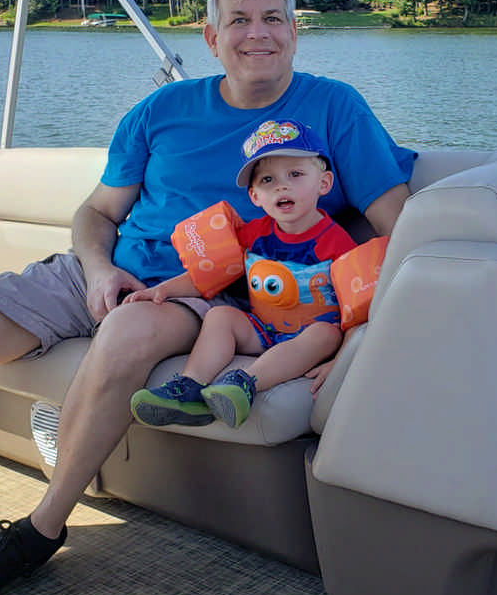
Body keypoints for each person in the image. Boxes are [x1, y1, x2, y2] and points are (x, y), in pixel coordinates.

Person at [0, 0, 415, 595]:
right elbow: (98, 212)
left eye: (273, 17)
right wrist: (99, 270)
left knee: (128, 332)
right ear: (211, 37)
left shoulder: (336, 109)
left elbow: (400, 229)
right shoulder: (159, 112)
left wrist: (357, 337)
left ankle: (37, 532)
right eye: (239, 19)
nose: (259, 33)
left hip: (210, 294)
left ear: (295, 31)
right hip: (104, 268)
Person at [128, 118, 358, 430]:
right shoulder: (252, 234)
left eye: (295, 174)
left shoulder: (337, 242)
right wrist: (163, 290)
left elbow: (355, 311)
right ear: (254, 197)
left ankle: (244, 384)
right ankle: (190, 389)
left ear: (324, 183)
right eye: (267, 180)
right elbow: (211, 275)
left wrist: (339, 361)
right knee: (221, 315)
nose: (281, 185)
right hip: (261, 330)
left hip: (311, 338)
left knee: (326, 333)